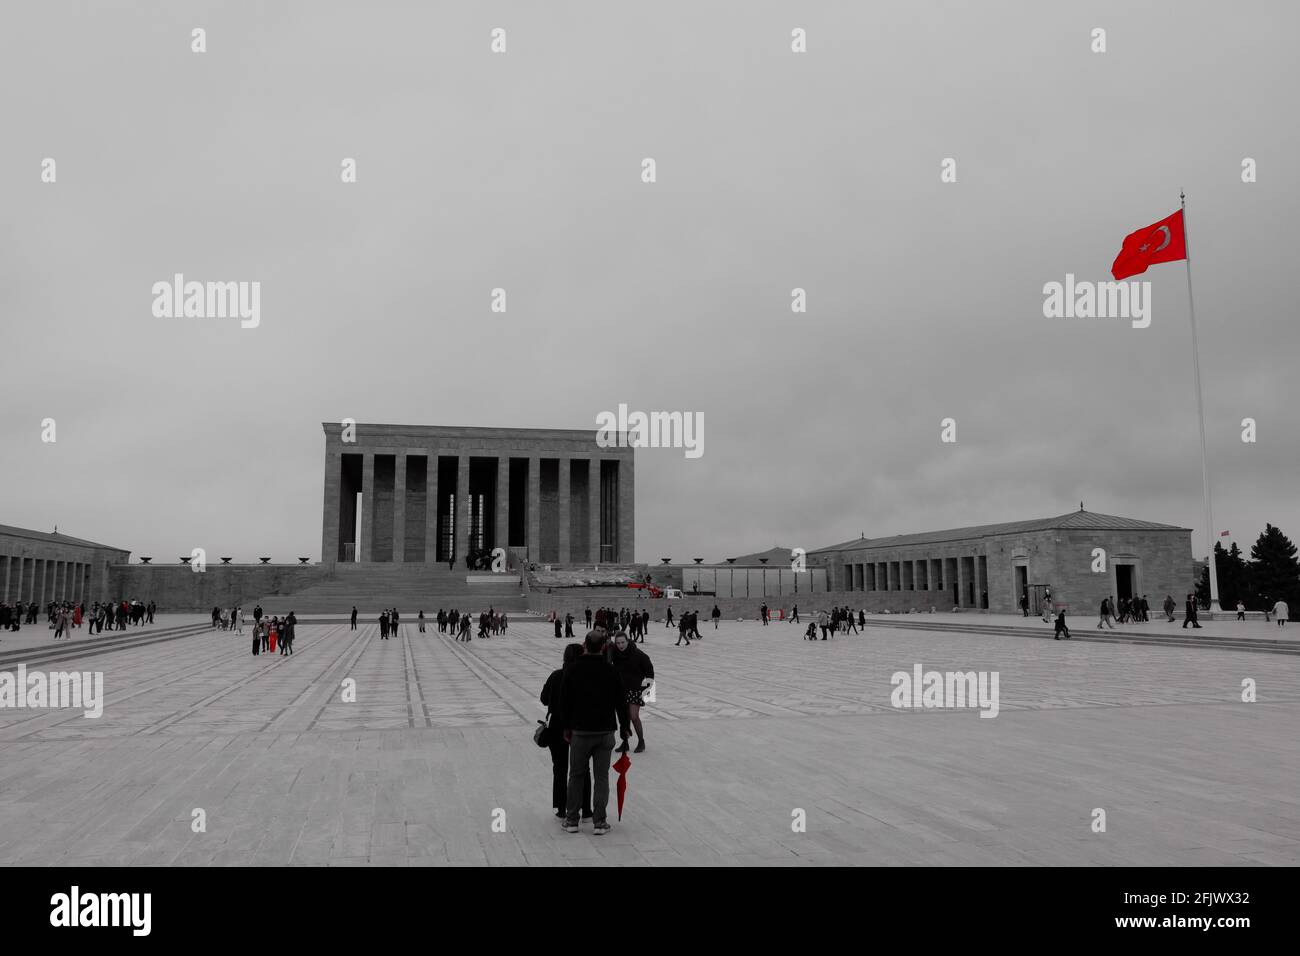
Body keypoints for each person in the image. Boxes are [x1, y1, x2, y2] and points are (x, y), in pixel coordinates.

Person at [558, 631, 623, 835]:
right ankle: (600, 822)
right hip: (605, 731)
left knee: (576, 775)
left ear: (585, 645)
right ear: (604, 646)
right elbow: (620, 701)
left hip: (580, 731)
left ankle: (571, 821)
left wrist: (566, 728)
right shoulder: (611, 670)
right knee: (601, 777)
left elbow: (564, 703)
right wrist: (626, 727)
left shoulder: (572, 670)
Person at [541, 644, 591, 821]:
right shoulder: (584, 677)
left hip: (557, 726)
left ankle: (562, 807)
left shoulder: (556, 675)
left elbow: (543, 698)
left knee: (560, 768)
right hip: (579, 726)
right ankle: (586, 808)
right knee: (582, 768)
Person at [609, 631, 654, 754]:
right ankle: (625, 742)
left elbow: (649, 672)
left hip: (635, 690)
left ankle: (641, 741)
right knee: (624, 717)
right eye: (618, 643)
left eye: (623, 642)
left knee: (633, 716)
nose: (620, 645)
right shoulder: (615, 655)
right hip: (621, 690)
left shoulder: (639, 655)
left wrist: (647, 689)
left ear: (628, 641)